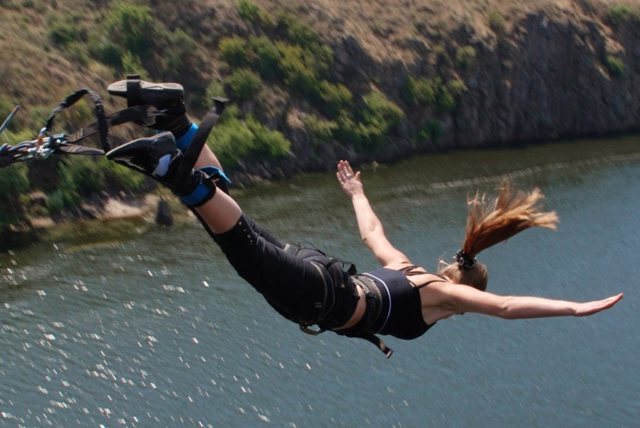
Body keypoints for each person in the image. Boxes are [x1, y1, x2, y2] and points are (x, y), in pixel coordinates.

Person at [105, 78, 623, 357]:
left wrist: (357, 191)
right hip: (322, 294)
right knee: (236, 241)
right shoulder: (442, 299)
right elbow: (507, 307)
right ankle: (174, 169)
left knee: (238, 226)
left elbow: (372, 232)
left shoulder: (405, 265)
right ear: (464, 294)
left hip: (324, 270)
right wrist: (576, 309)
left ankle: (176, 117)